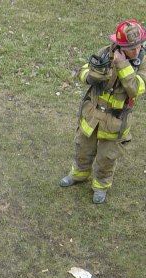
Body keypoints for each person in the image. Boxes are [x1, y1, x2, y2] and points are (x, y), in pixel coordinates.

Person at [60, 19, 146, 204]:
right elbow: (83, 71)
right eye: (132, 48)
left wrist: (123, 65)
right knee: (83, 147)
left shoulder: (143, 62)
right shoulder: (104, 52)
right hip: (92, 114)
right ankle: (78, 175)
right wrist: (92, 76)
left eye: (139, 46)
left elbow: (136, 89)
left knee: (107, 157)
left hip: (116, 121)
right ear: (120, 44)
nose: (137, 51)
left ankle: (100, 186)